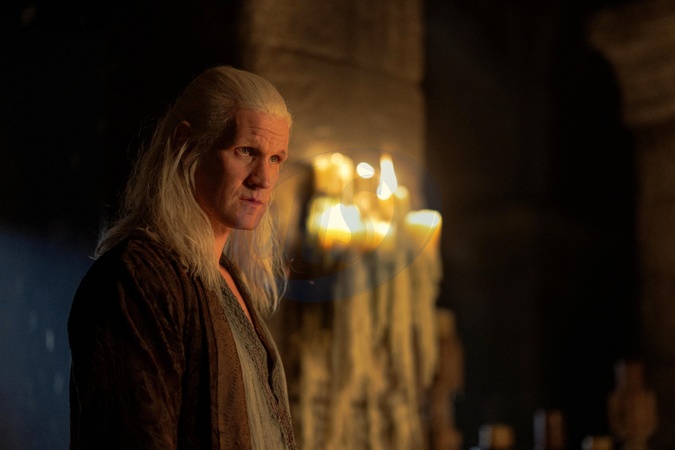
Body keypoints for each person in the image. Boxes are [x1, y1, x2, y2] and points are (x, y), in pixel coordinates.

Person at [68, 66, 296, 449]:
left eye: (276, 159)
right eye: (246, 151)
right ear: (186, 143)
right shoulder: (137, 276)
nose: (263, 178)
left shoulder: (225, 276)